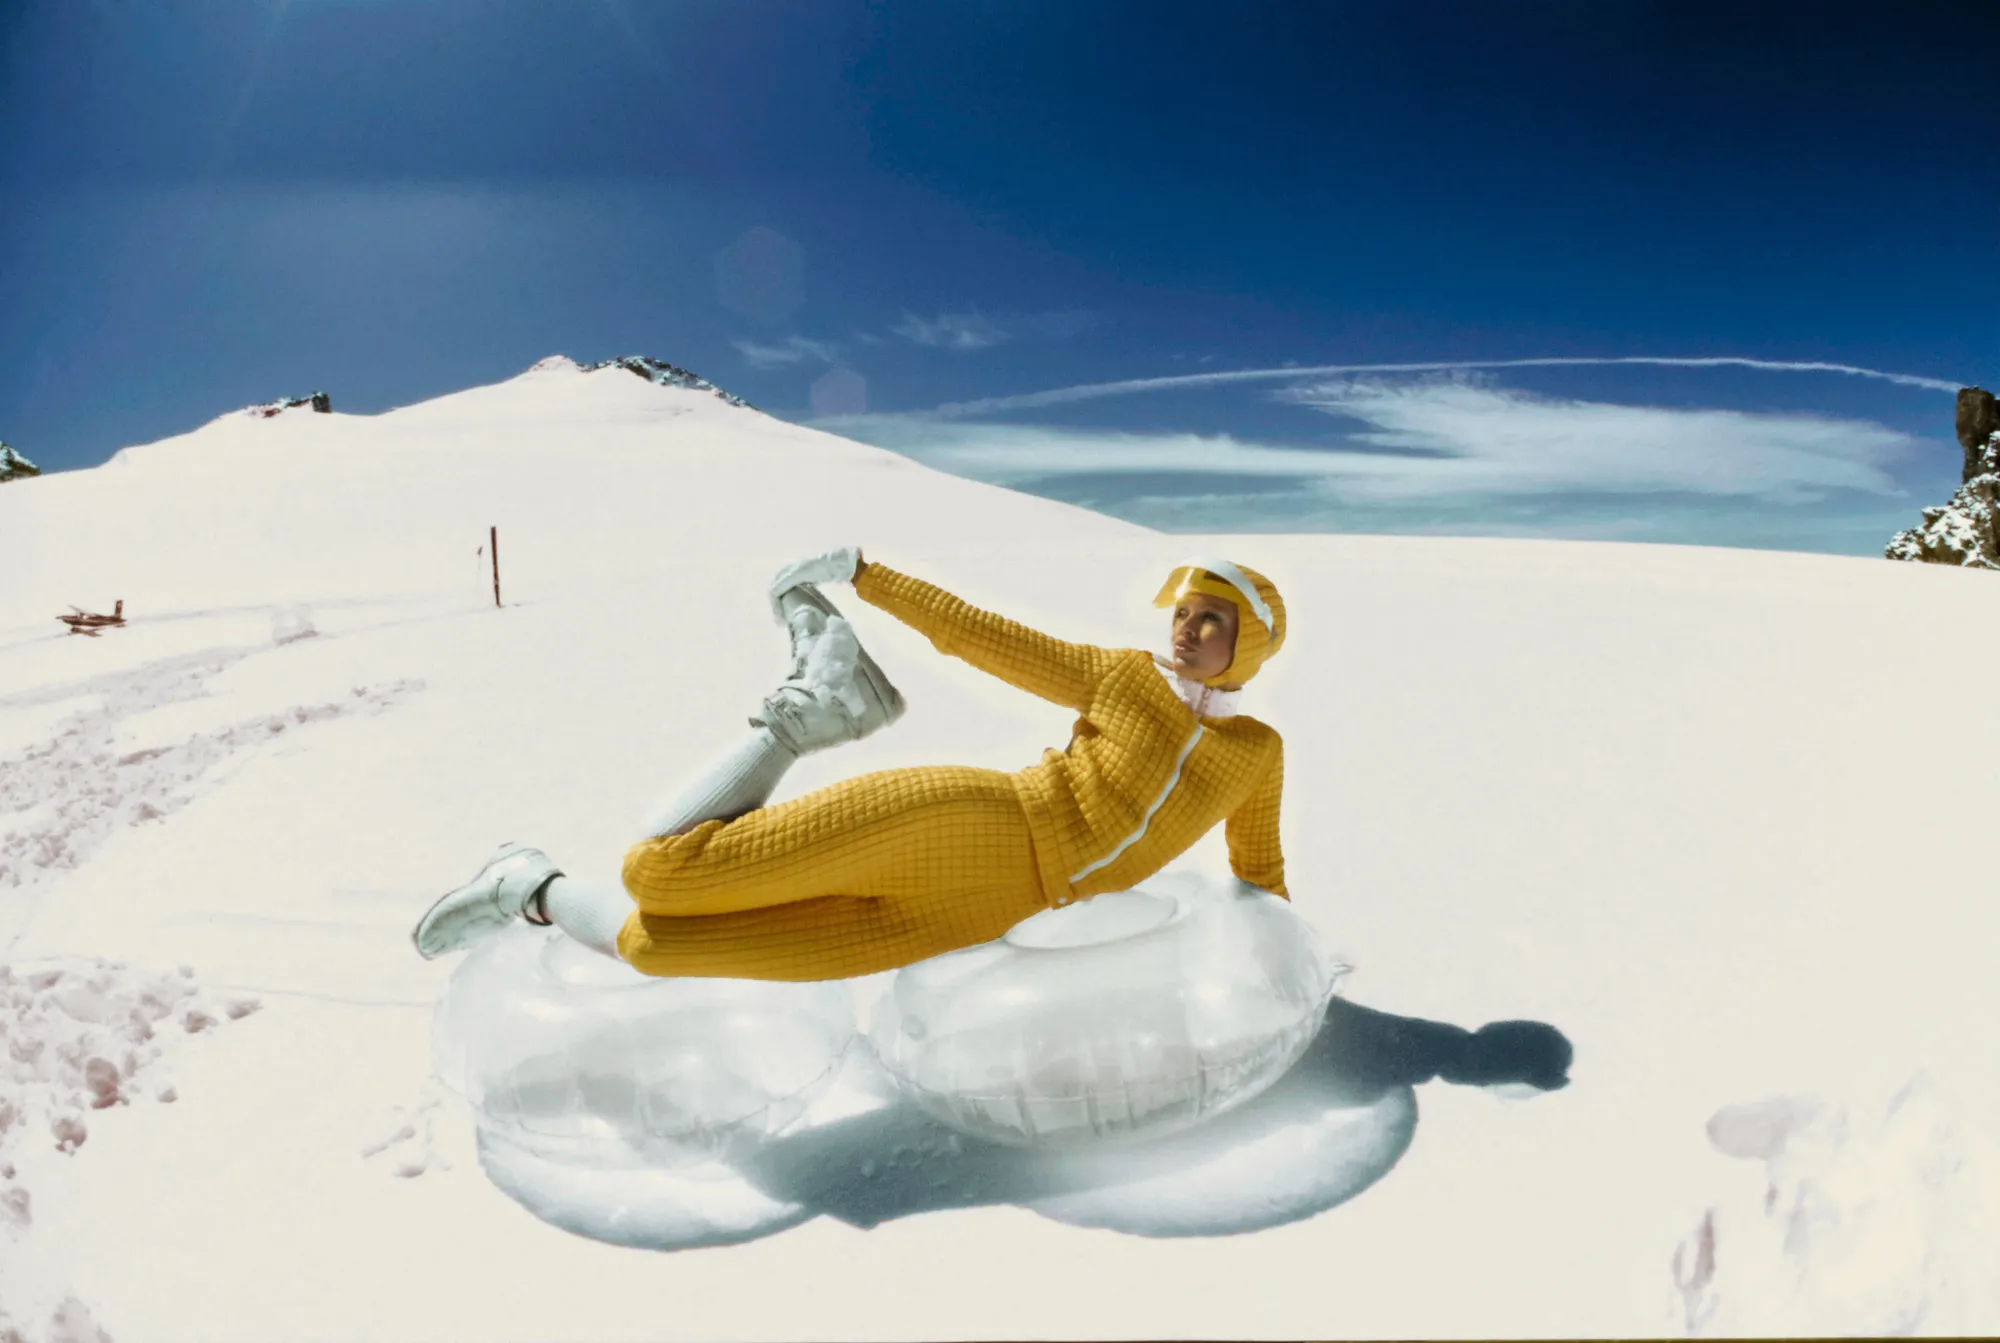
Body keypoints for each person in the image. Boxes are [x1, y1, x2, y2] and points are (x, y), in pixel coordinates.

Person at [411, 548, 1289, 981]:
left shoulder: (1255, 754)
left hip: (988, 908)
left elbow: (1260, 868)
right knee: (662, 870)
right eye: (1186, 609)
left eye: (1213, 619)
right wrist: (871, 576)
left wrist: (1288, 957)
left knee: (657, 945)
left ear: (1249, 644)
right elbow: (986, 638)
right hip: (974, 821)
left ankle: (525, 884)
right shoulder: (1122, 677)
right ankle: (809, 714)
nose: (1187, 626)